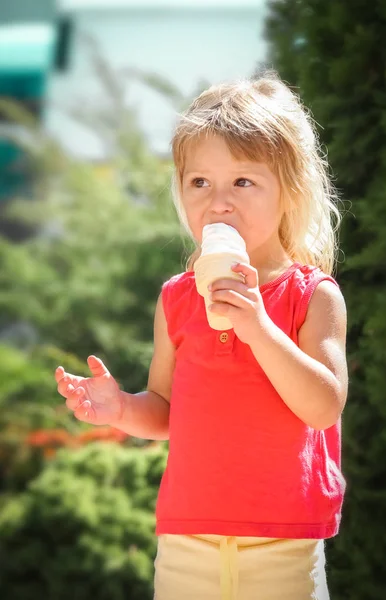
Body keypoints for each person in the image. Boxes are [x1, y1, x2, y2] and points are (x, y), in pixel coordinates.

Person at [55, 68, 348, 600]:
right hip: (188, 544)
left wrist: (257, 326)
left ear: (290, 192)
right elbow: (166, 408)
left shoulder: (312, 296)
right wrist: (120, 408)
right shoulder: (176, 299)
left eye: (242, 181)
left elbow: (324, 406)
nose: (219, 202)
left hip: (282, 548)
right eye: (199, 183)